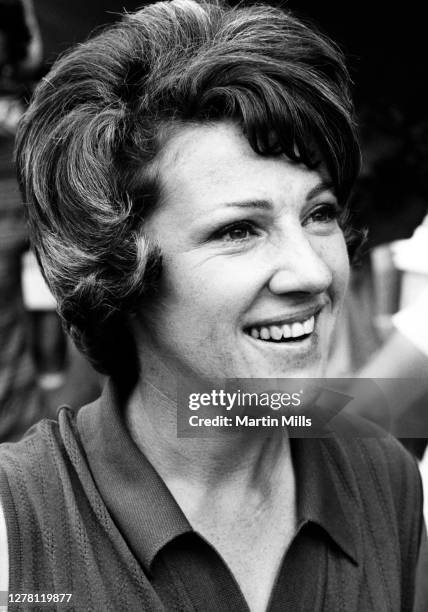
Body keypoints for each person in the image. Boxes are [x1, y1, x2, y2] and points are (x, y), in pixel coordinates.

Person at [0, 1, 425, 610]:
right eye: (238, 231)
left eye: (320, 213)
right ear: (120, 267)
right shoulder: (19, 530)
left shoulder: (382, 474)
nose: (311, 271)